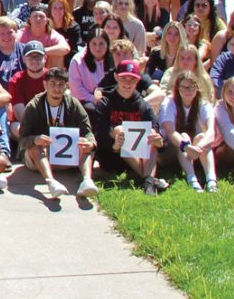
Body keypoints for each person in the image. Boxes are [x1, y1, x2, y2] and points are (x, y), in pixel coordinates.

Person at [16, 66, 97, 200]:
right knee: (36, 148)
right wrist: (35, 139)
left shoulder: (74, 104)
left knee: (85, 146)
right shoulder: (34, 106)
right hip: (41, 157)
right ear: (45, 84)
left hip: (68, 158)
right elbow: (22, 139)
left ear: (66, 86)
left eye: (61, 85)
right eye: (52, 84)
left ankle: (87, 181)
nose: (56, 89)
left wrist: (91, 144)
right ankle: (51, 183)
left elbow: (88, 132)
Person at [93, 60, 165, 196]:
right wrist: (114, 142)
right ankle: (149, 179)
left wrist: (158, 140)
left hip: (137, 156)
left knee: (152, 136)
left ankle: (147, 181)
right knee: (121, 131)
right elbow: (99, 134)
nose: (127, 83)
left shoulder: (142, 104)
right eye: (123, 78)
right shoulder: (105, 102)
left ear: (137, 81)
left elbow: (156, 128)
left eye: (132, 79)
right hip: (112, 155)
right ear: (116, 77)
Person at [160, 70, 219, 193]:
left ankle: (211, 180)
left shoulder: (203, 104)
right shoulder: (169, 102)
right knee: (184, 136)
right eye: (184, 87)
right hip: (169, 149)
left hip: (194, 151)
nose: (188, 91)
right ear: (177, 88)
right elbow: (170, 132)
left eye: (191, 87)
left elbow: (211, 132)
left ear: (197, 88)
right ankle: (192, 178)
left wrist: (197, 147)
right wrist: (186, 147)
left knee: (202, 136)